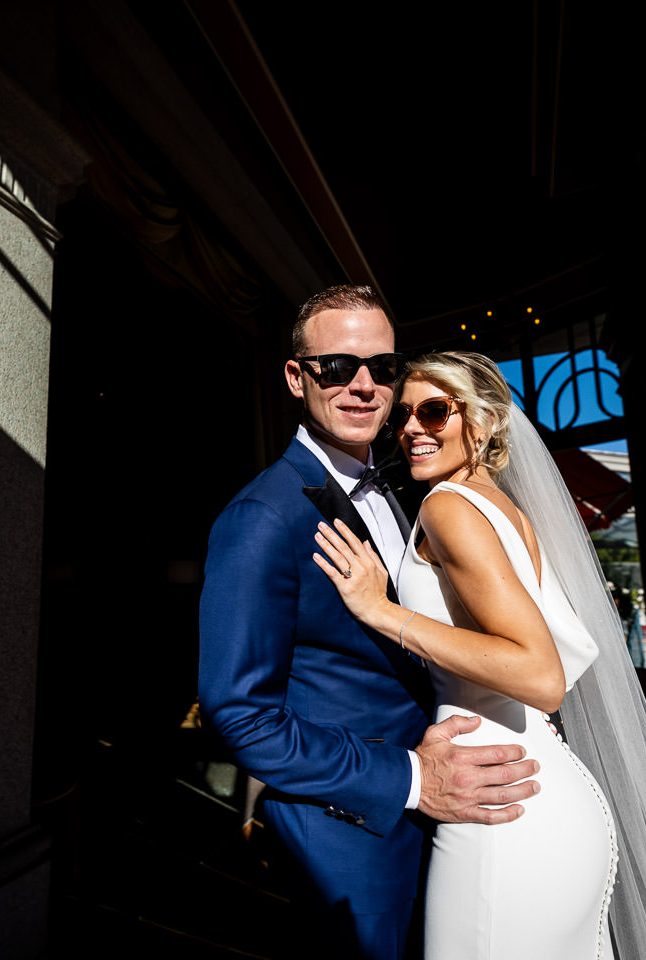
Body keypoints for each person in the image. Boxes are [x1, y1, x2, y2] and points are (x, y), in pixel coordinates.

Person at [313, 351, 646, 959]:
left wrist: (381, 610)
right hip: (537, 789)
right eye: (405, 414)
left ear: (485, 423)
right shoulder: (502, 509)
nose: (412, 427)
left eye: (435, 411)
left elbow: (541, 677)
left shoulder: (448, 508)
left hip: (503, 813)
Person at [198, 289, 540, 960]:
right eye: (336, 366)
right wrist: (413, 779)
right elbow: (240, 716)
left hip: (446, 821)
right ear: (297, 377)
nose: (363, 385)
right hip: (347, 844)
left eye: (382, 368)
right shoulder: (263, 518)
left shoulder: (406, 489)